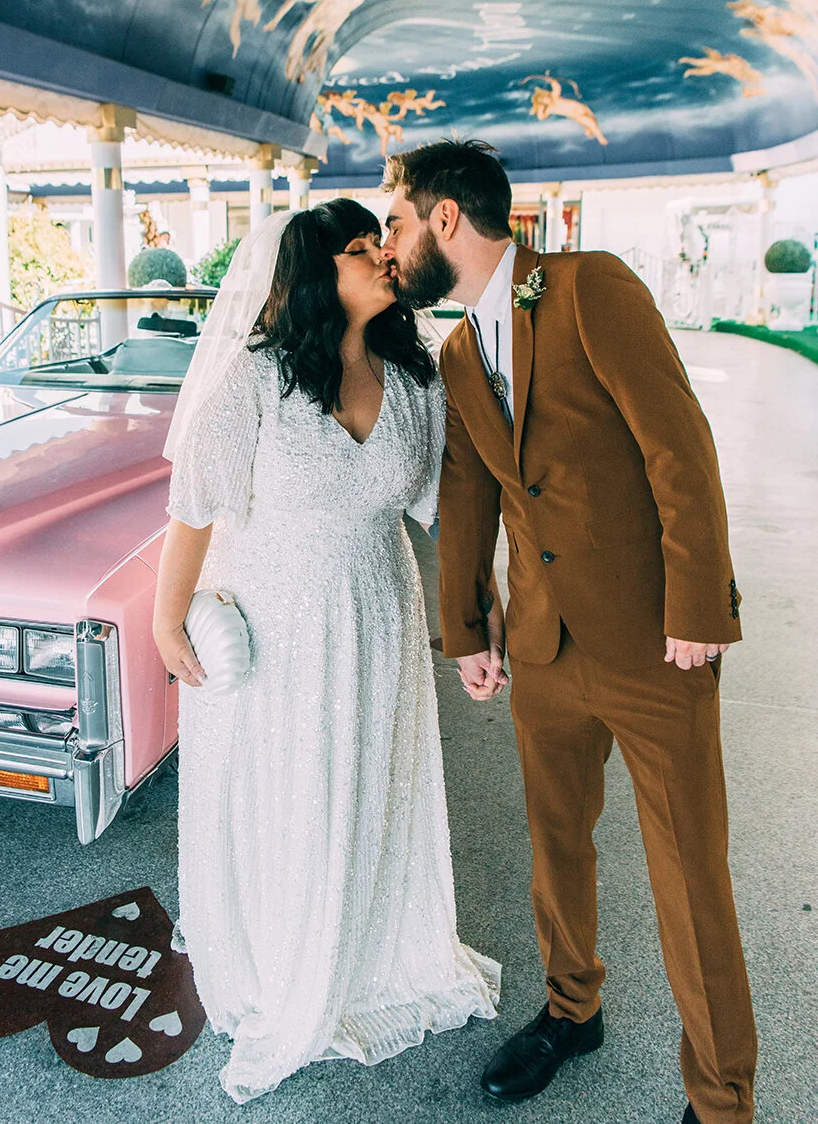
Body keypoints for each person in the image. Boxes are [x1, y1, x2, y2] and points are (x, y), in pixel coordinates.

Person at [382, 140, 756, 1124]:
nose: (390, 242)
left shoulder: (592, 289)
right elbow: (468, 495)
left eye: (396, 219)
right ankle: (569, 1009)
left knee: (688, 873)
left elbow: (678, 445)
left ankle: (720, 1097)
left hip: (652, 646)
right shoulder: (458, 353)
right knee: (557, 849)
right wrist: (469, 628)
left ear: (447, 218)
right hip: (543, 652)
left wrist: (697, 609)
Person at [153, 199, 501, 1104]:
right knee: (290, 789)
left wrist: (481, 608)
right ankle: (287, 962)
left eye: (379, 244)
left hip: (373, 613)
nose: (384, 258)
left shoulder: (413, 379)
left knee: (364, 780)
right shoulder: (259, 379)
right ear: (317, 273)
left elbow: (444, 505)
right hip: (274, 621)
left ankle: (366, 945)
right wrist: (165, 620)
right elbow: (194, 506)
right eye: (360, 249)